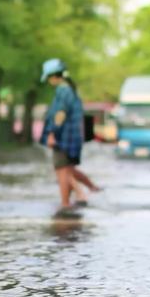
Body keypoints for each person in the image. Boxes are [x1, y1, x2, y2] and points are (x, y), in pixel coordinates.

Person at [39, 58, 100, 215]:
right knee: (66, 170)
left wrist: (52, 133)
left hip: (63, 137)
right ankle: (84, 193)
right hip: (71, 137)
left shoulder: (63, 91)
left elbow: (60, 114)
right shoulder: (70, 89)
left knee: (62, 171)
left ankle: (65, 203)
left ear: (54, 76)